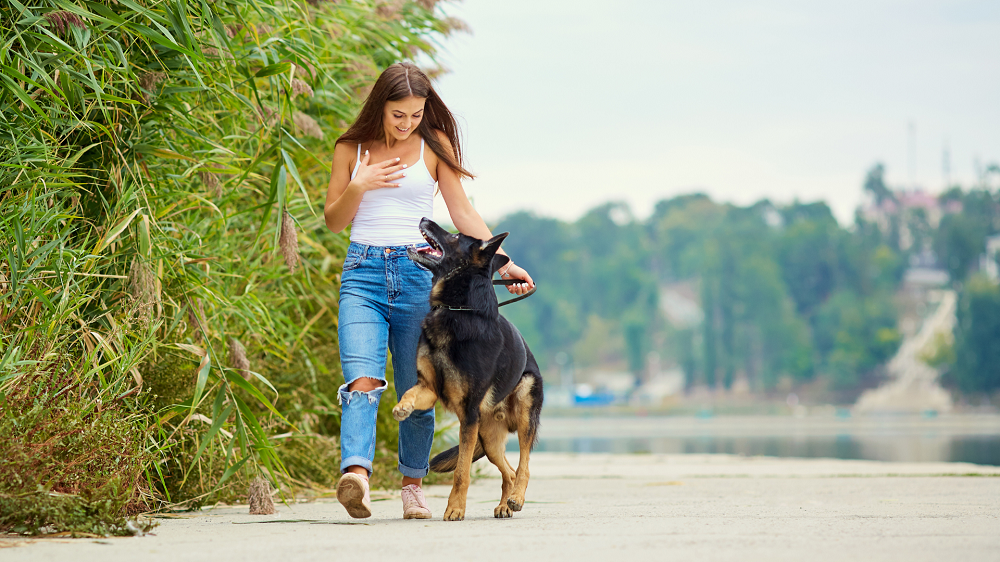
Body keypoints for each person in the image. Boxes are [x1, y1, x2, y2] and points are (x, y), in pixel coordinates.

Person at [323, 62, 534, 520]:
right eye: (398, 114)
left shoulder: (433, 147)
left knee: (421, 388)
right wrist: (358, 184)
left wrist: (505, 263)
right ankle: (356, 476)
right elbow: (334, 221)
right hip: (362, 274)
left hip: (419, 277)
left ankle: (412, 487)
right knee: (361, 381)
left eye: (416, 114)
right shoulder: (350, 149)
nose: (407, 123)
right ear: (381, 106)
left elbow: (461, 212)